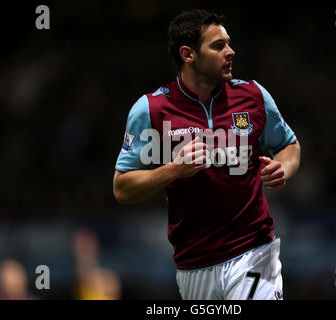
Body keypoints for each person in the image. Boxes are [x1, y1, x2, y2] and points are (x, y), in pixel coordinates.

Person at [113, 9, 301, 300]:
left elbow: (289, 145)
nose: (230, 52)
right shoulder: (151, 110)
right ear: (188, 54)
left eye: (228, 43)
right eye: (218, 46)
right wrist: (173, 169)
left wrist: (282, 168)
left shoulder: (252, 96)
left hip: (253, 250)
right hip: (194, 266)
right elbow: (122, 188)